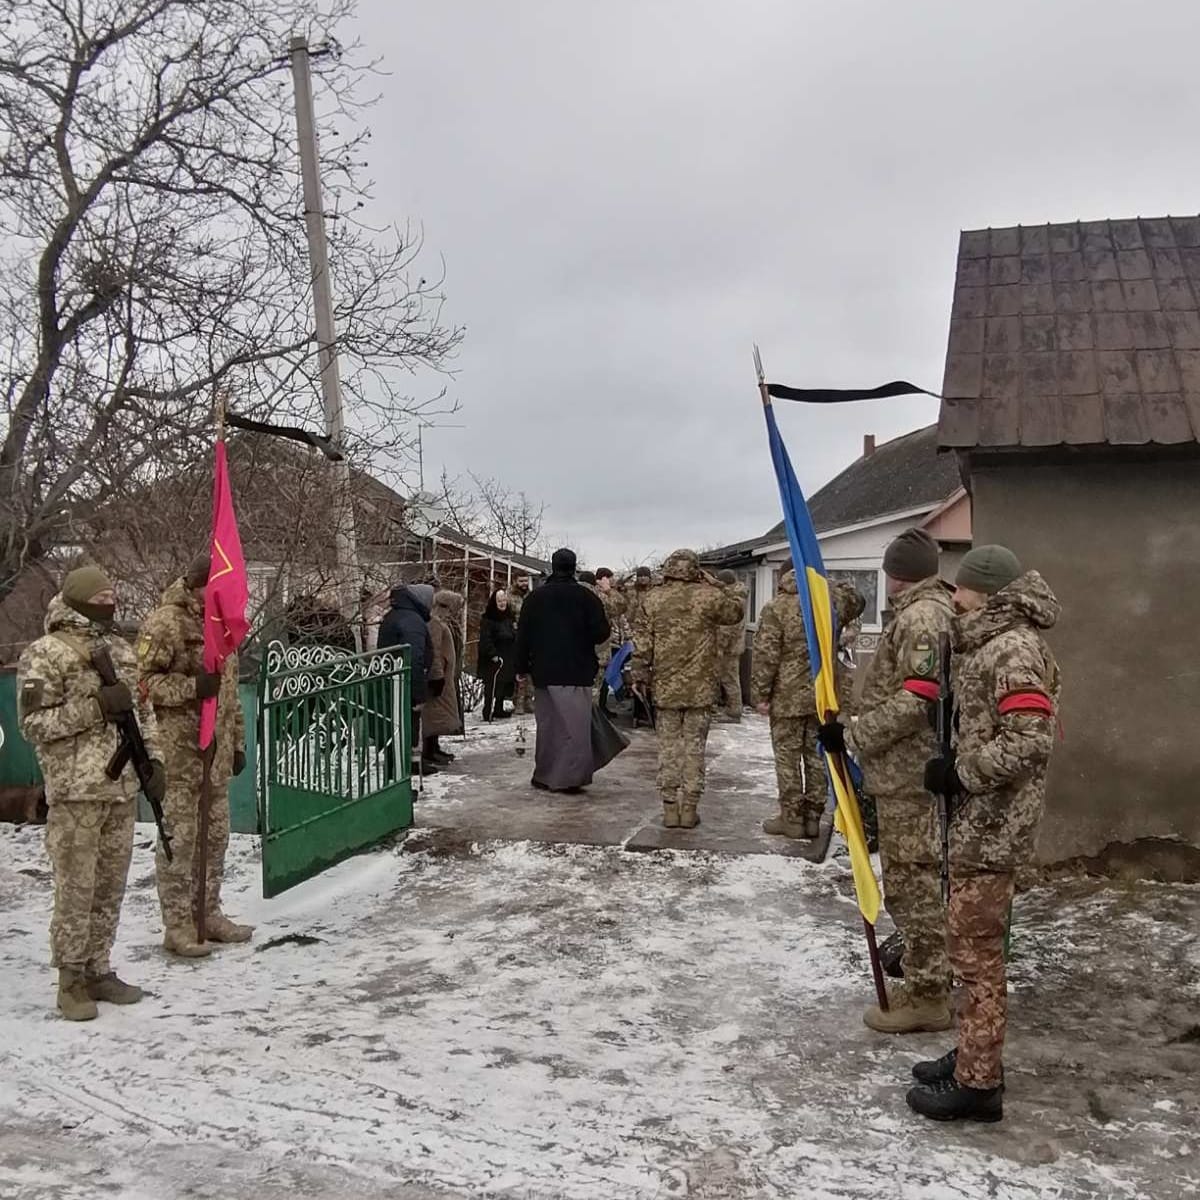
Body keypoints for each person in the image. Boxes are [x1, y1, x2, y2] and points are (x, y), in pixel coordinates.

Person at [907, 547, 1061, 1124]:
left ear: (985, 592)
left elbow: (1029, 739)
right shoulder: (990, 642)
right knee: (966, 950)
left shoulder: (1012, 648)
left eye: (961, 588)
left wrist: (960, 774)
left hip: (993, 826)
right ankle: (975, 1050)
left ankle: (979, 1085)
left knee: (976, 957)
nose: (953, 596)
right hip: (977, 823)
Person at [818, 528, 955, 1034]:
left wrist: (856, 734)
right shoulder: (922, 612)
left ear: (897, 573)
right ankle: (924, 983)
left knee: (913, 886)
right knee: (909, 883)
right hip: (901, 772)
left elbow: (920, 696)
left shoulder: (922, 617)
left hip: (908, 774)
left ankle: (929, 997)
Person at [17, 565, 165, 1019]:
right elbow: (33, 725)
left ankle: (100, 969)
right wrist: (94, 706)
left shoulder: (120, 649)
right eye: (101, 596)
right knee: (77, 890)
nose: (110, 602)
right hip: (76, 792)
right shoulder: (45, 654)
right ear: (79, 599)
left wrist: (154, 760)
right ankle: (70, 980)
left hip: (120, 791)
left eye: (112, 596)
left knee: (109, 888)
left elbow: (143, 713)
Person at [138, 556, 253, 956]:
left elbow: (230, 692)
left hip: (215, 755)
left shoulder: (222, 626)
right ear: (202, 584)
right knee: (180, 841)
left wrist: (237, 742)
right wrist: (190, 688)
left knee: (216, 838)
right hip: (180, 754)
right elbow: (144, 684)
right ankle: (178, 926)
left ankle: (208, 912)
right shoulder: (166, 622)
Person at [631, 549, 744, 829]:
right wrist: (716, 583)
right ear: (695, 570)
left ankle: (670, 808)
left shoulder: (653, 598)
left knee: (668, 748)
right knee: (695, 747)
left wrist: (639, 675)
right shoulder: (709, 596)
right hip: (701, 688)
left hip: (666, 687)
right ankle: (690, 808)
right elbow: (736, 611)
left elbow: (642, 644)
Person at [753, 569, 865, 839]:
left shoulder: (776, 608)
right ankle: (814, 817)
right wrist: (828, 585)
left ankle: (792, 818)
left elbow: (767, 655)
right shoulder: (828, 602)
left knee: (787, 758)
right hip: (822, 694)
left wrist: (761, 694)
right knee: (816, 756)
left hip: (787, 696)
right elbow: (858, 599)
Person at [514, 548, 610, 793]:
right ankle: (571, 777)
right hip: (578, 669)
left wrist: (521, 667)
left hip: (545, 670)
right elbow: (602, 633)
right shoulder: (587, 598)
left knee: (549, 725)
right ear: (574, 567)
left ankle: (545, 774)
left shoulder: (535, 598)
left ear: (553, 566)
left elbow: (523, 636)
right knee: (574, 727)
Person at [378, 581, 438, 776]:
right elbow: (414, 658)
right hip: (403, 686)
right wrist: (418, 696)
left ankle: (399, 771)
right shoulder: (412, 621)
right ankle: (401, 777)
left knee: (396, 731)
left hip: (392, 683)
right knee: (405, 731)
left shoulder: (395, 615)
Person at [423, 590, 463, 764]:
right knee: (435, 714)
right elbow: (436, 651)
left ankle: (434, 747)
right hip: (439, 677)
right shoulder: (435, 623)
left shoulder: (444, 623)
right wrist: (437, 674)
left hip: (446, 676)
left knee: (440, 714)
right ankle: (429, 750)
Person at [478, 587, 518, 721]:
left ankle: (499, 709)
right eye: (499, 601)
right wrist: (492, 654)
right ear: (494, 602)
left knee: (503, 684)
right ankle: (487, 711)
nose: (502, 603)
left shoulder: (509, 617)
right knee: (491, 686)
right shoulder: (488, 619)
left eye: (504, 600)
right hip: (493, 659)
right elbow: (485, 639)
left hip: (507, 656)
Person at [714, 569, 749, 723]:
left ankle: (734, 712)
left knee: (729, 679)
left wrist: (720, 648)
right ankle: (730, 708)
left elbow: (727, 628)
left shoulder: (732, 598)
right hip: (733, 646)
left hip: (729, 648)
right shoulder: (738, 596)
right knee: (728, 678)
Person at [509, 576, 535, 714]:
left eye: (526, 581)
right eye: (521, 581)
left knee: (531, 668)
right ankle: (518, 701)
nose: (524, 584)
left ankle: (528, 699)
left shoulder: (531, 596)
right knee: (520, 669)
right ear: (515, 581)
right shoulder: (510, 597)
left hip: (530, 636)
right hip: (515, 636)